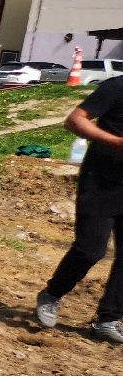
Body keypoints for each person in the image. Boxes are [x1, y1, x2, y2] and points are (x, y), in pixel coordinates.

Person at [35, 76, 123, 343]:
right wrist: (117, 142)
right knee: (90, 250)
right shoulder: (117, 87)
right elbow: (75, 120)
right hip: (102, 183)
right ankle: (52, 294)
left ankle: (108, 319)